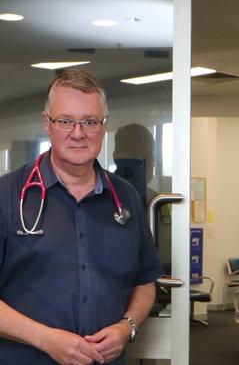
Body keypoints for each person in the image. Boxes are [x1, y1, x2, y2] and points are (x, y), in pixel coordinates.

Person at [0, 69, 162, 364]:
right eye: (65, 121)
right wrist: (45, 339)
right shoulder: (7, 196)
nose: (78, 133)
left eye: (89, 122)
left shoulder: (125, 198)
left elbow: (145, 282)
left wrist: (127, 327)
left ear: (103, 126)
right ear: (46, 123)